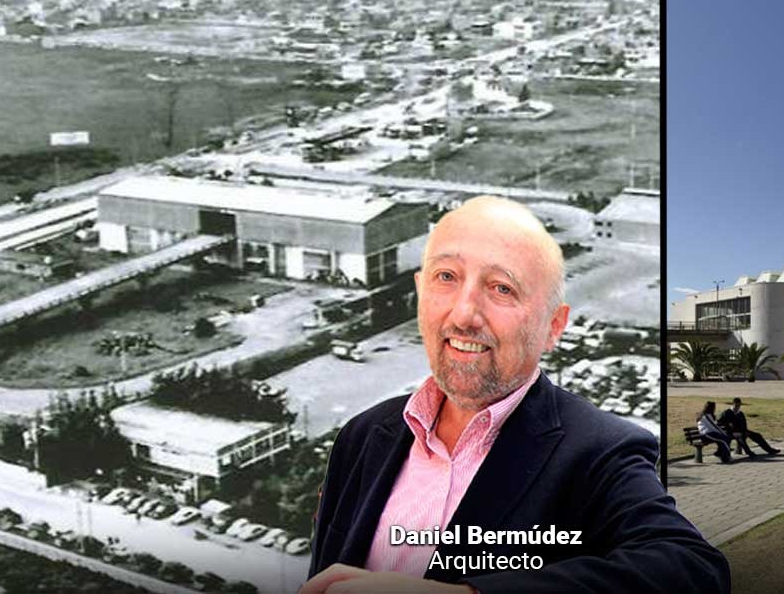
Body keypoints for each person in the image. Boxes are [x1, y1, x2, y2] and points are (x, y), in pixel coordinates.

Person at [302, 197, 730, 594]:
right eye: (446, 277)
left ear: (553, 327)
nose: (464, 314)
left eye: (502, 288)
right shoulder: (362, 435)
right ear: (420, 292)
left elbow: (692, 569)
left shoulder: (599, 450)